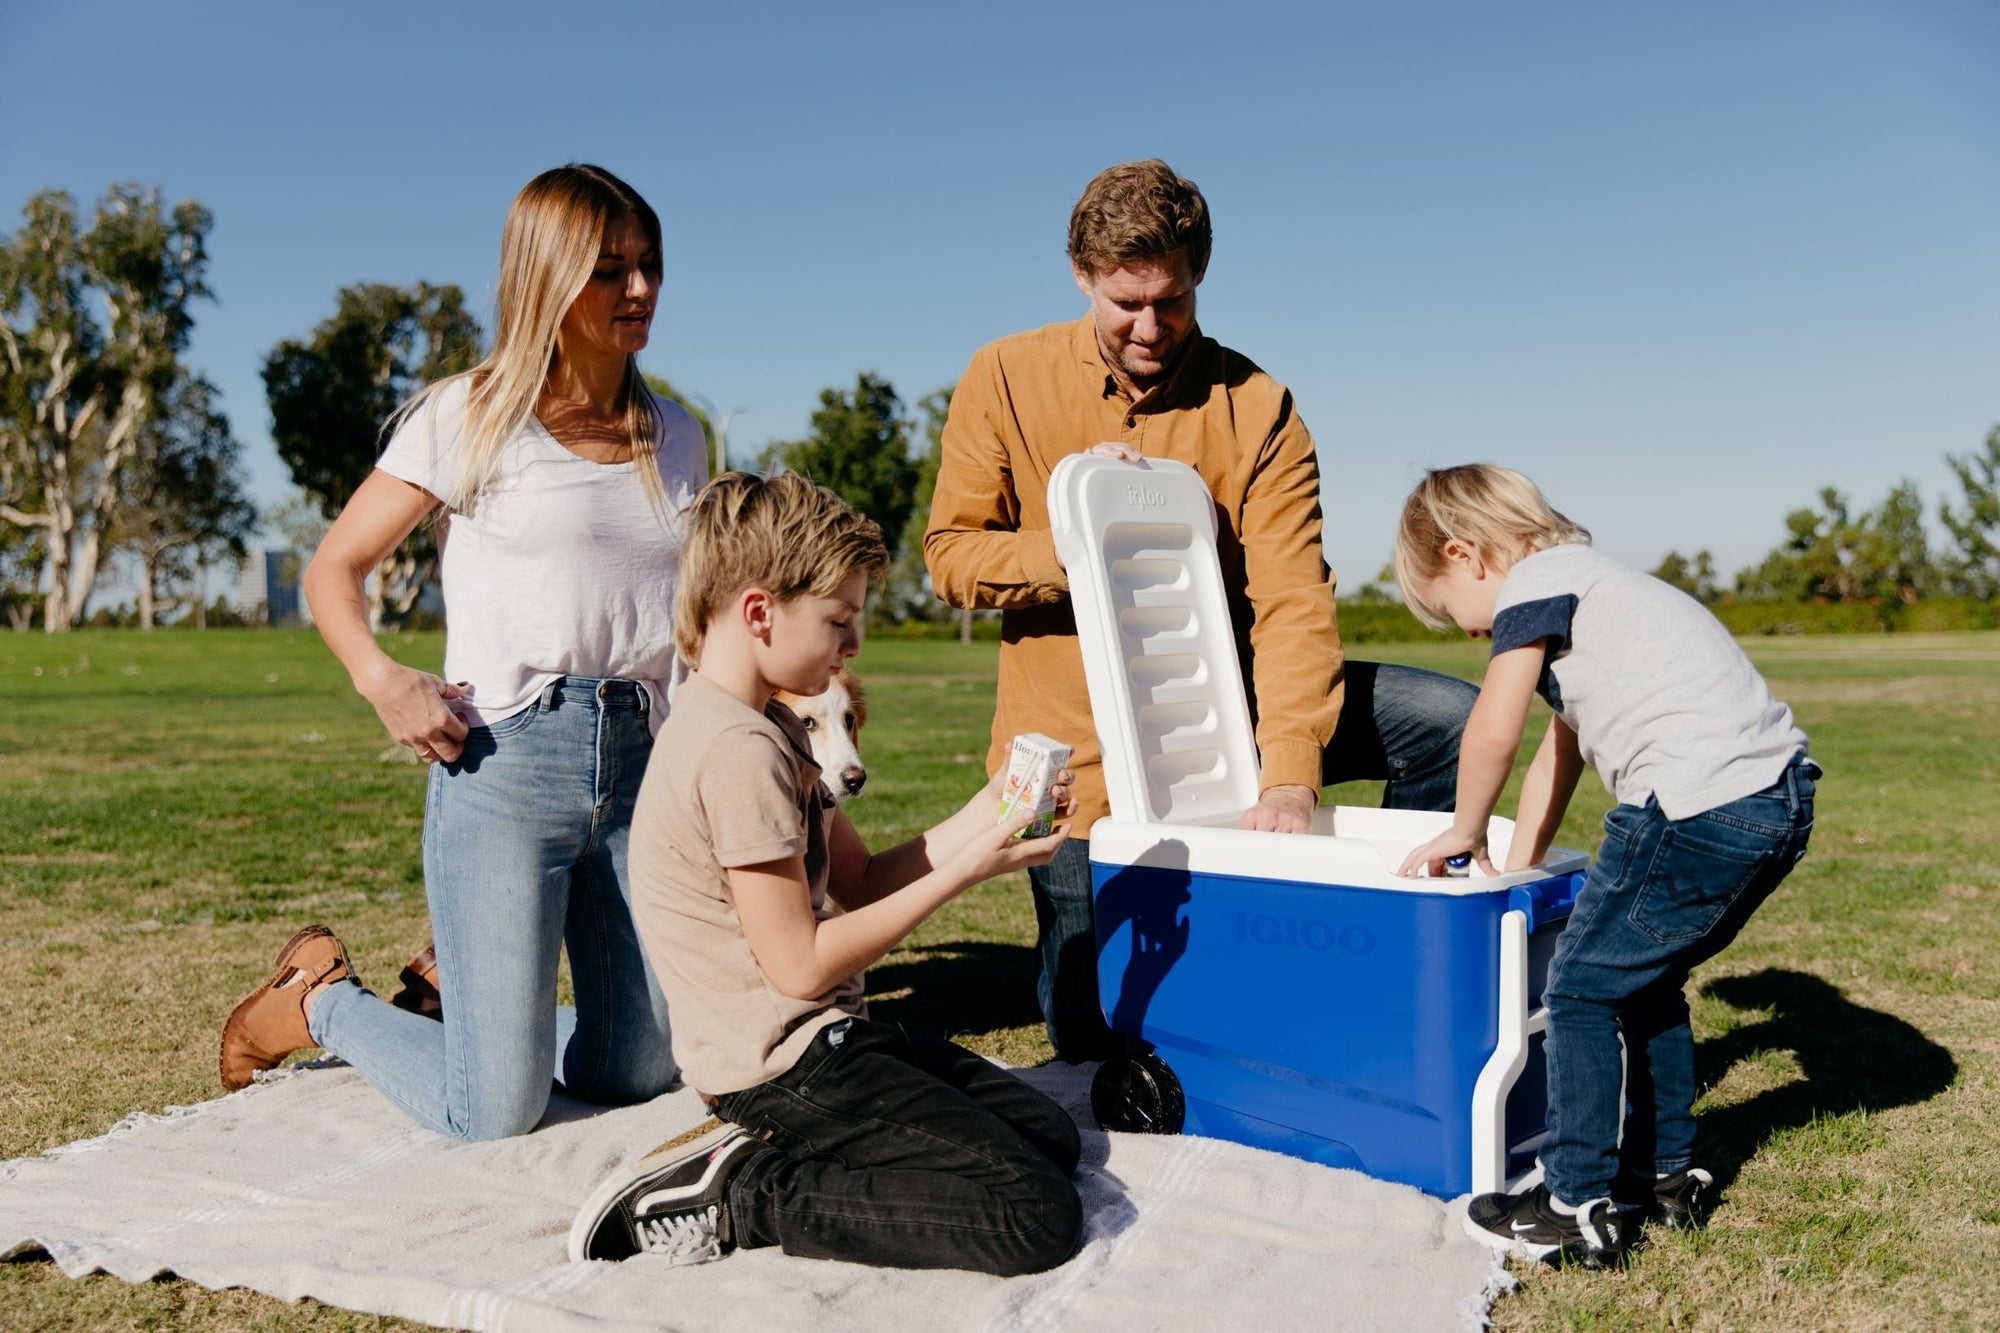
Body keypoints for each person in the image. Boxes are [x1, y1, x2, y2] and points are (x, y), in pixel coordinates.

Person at [923, 157, 1478, 1061]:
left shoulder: (1257, 405)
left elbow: (1295, 600)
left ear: (1200, 275)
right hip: (1075, 756)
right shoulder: (1004, 376)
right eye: (1124, 302)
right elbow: (949, 556)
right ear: (1081, 275)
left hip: (1228, 714)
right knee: (1097, 1044)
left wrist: (1288, 773)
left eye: (1170, 301)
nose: (1149, 327)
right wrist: (1080, 531)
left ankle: (1396, 964)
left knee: (1445, 717)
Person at [217, 164, 707, 1141]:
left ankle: (482, 1011)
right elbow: (334, 569)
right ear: (547, 280)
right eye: (610, 270)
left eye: (649, 265)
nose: (641, 289)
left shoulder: (681, 435)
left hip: (646, 767)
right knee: (493, 1109)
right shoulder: (469, 416)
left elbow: (690, 617)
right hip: (504, 764)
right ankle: (318, 1001)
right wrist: (382, 679)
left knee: (640, 1069)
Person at [569, 471, 1083, 1274]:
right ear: (758, 611)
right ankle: (747, 1190)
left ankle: (782, 1153)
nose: (853, 646)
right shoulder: (736, 751)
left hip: (827, 1037)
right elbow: (800, 964)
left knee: (1050, 1138)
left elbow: (867, 879)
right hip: (779, 1064)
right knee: (1032, 1214)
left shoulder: (767, 723)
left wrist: (993, 812)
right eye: (839, 620)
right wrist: (965, 872)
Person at [1391, 464, 1817, 1267]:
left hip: (1693, 803)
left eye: (1455, 613)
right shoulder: (1600, 590)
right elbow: (1563, 751)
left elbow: (1495, 726)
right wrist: (1512, 867)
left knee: (1581, 989)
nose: (1474, 634)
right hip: (1776, 800)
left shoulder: (1537, 584)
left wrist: (1464, 827)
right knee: (1643, 979)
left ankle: (1574, 1201)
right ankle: (1665, 1173)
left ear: (1468, 553)